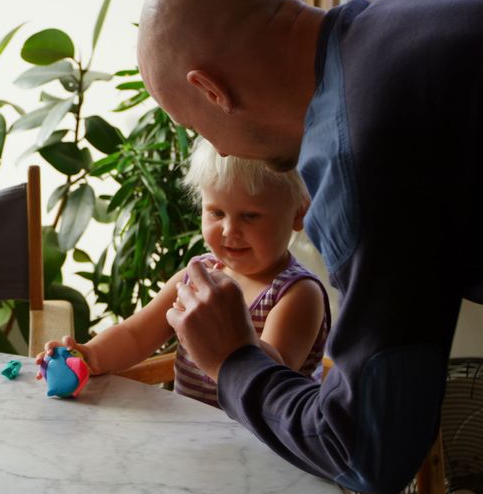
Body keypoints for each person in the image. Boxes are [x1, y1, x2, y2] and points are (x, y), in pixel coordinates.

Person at [137, 0, 483, 494]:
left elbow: (367, 451)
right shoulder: (405, 14)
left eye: (196, 127)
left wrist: (234, 360)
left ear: (213, 91)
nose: (219, 150)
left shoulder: (364, 143)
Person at [37, 139, 330, 408]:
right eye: (216, 213)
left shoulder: (297, 294)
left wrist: (226, 332)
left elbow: (272, 382)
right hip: (192, 440)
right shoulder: (194, 277)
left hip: (265, 449)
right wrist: (89, 356)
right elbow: (135, 336)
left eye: (249, 215)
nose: (229, 230)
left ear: (298, 213)